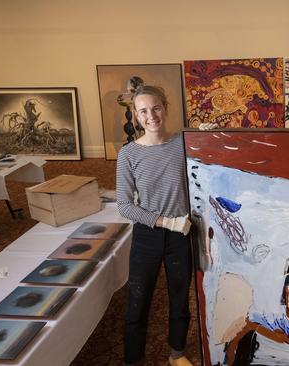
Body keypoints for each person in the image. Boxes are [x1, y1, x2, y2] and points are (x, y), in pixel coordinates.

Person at [116, 84, 193, 366]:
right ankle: (133, 360)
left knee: (180, 298)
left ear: (166, 108)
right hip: (148, 236)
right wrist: (165, 222)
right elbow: (124, 205)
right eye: (143, 111)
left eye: (156, 108)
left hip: (181, 236)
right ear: (136, 116)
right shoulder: (128, 155)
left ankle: (177, 353)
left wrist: (209, 134)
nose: (151, 116)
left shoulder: (183, 143)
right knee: (138, 302)